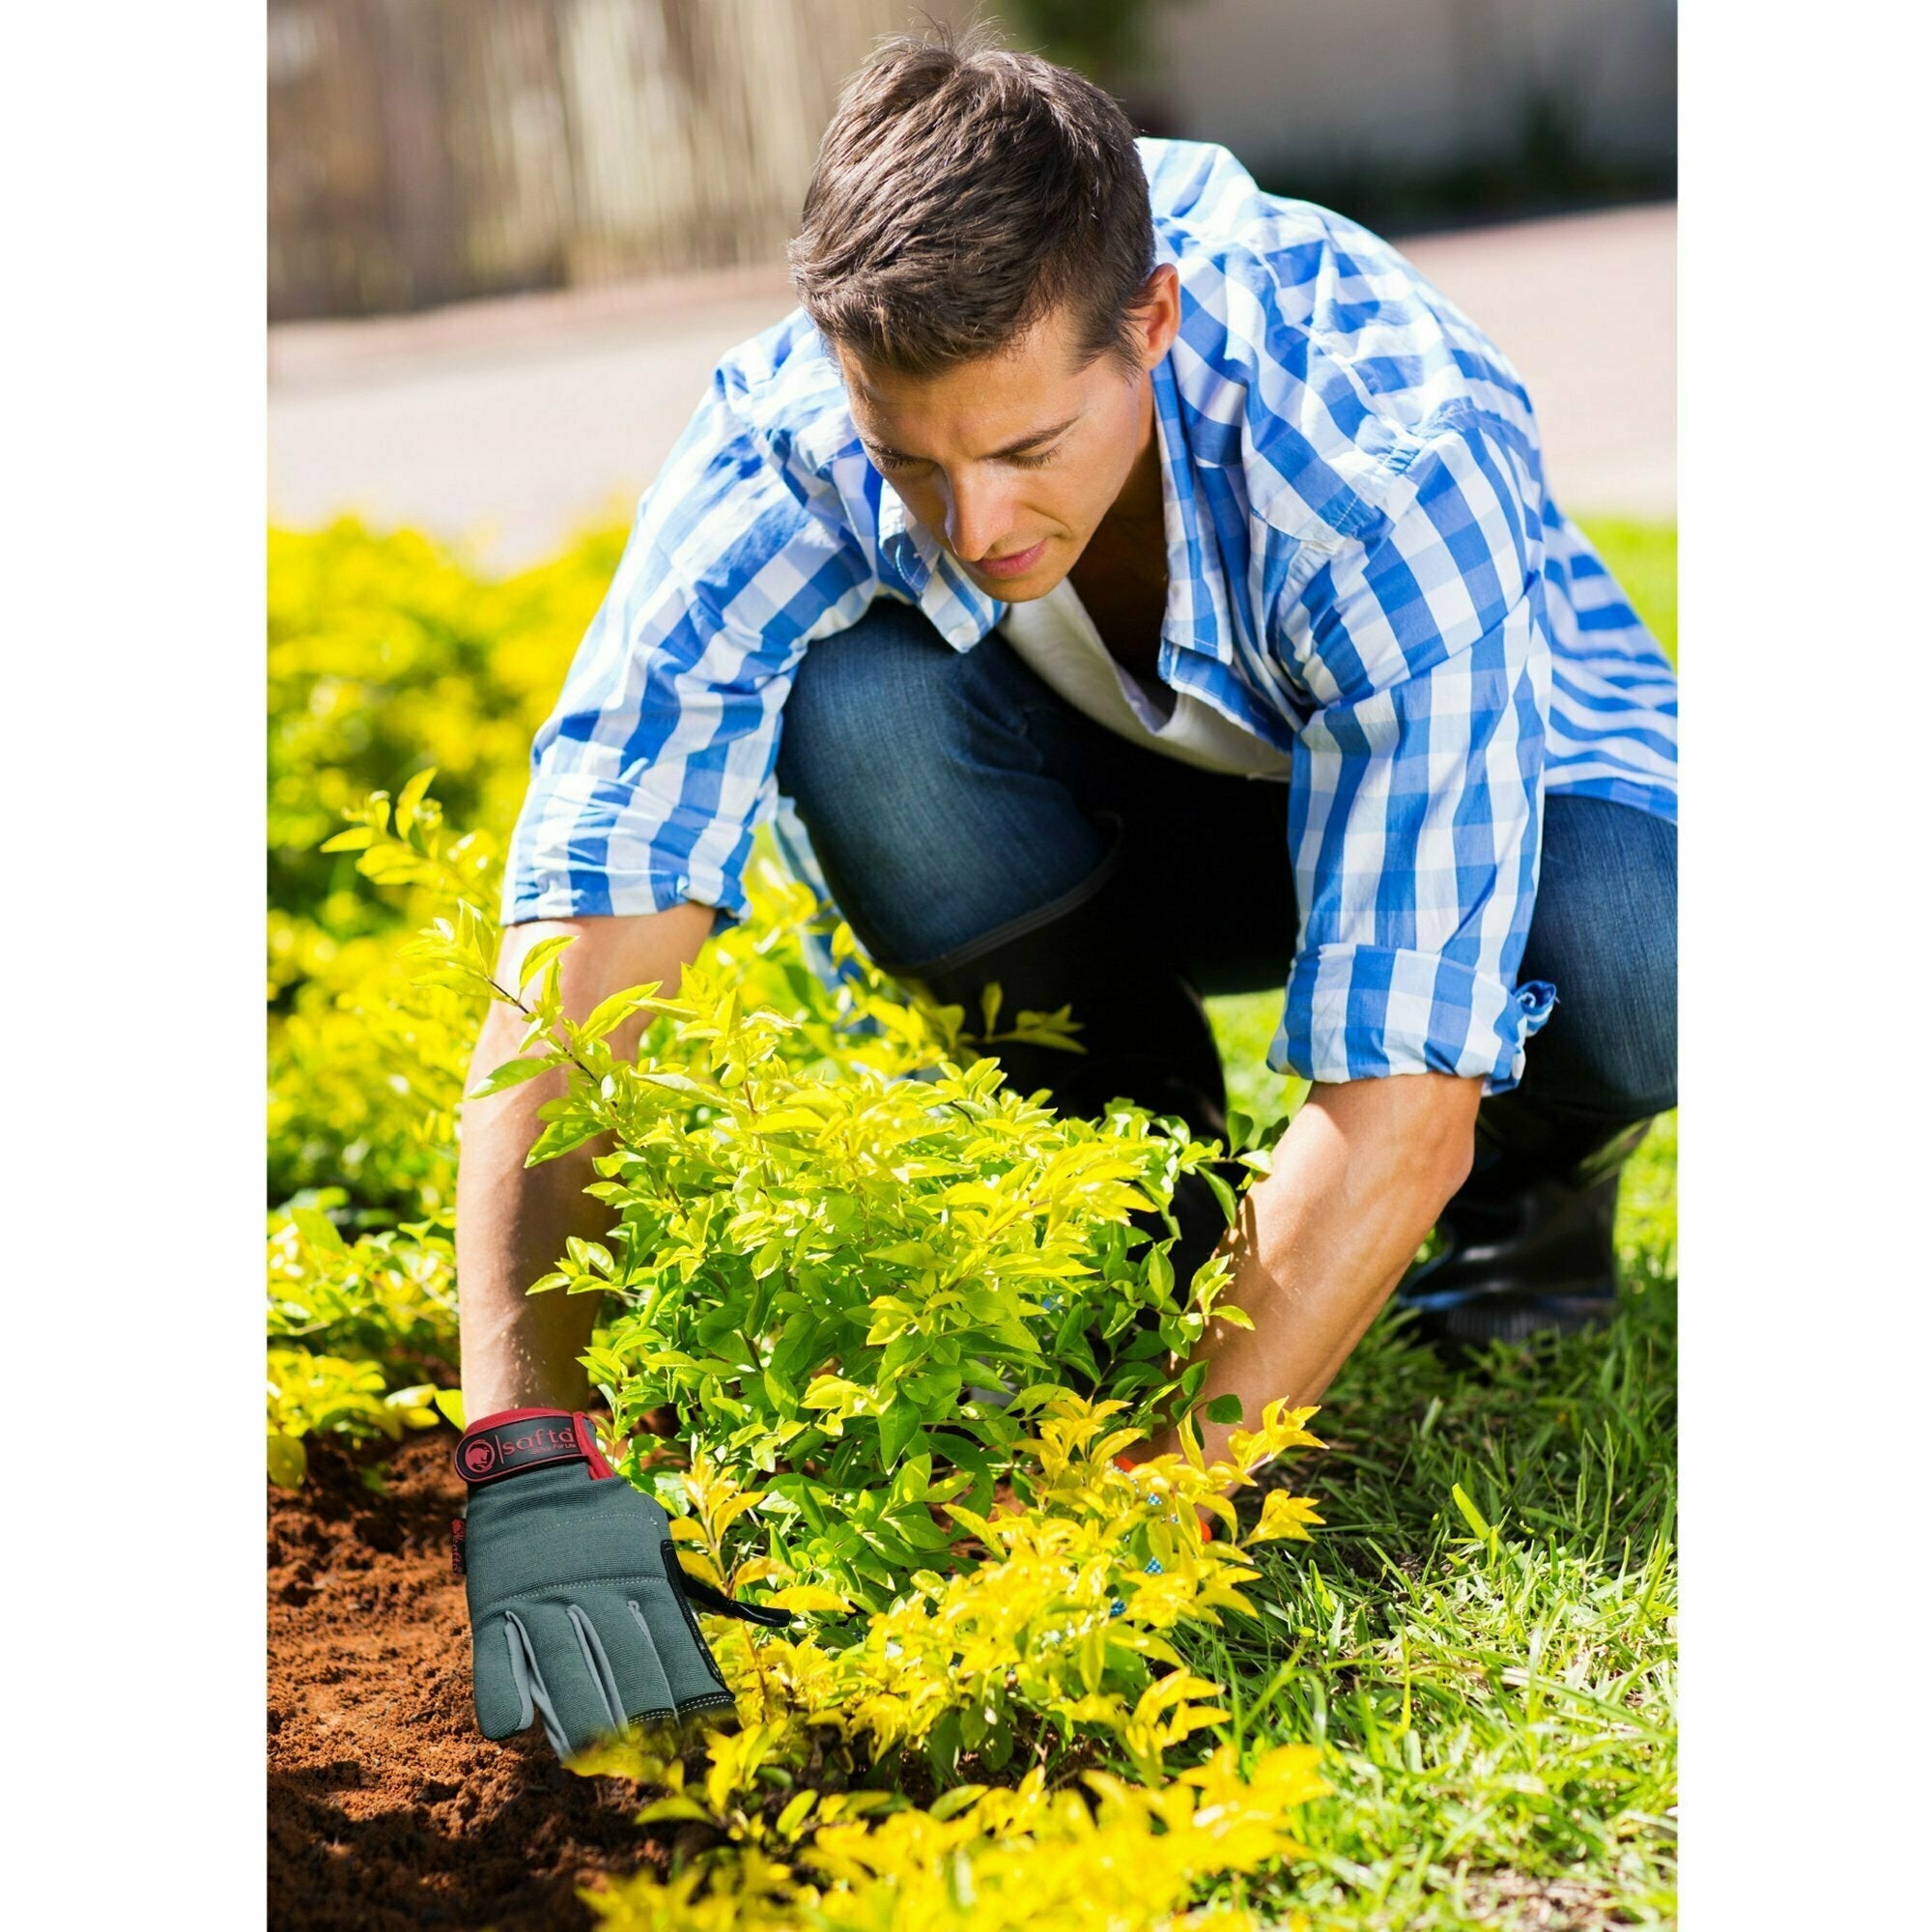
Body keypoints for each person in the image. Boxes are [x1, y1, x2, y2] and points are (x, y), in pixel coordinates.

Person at [448, 27, 1676, 1756]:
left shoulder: (1381, 439)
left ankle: (1534, 1210)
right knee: (859, 698)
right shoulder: (796, 433)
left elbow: (1403, 1082)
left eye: (1028, 447)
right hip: (1117, 808)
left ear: (1150, 324)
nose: (972, 518)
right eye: (912, 462)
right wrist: (527, 1440)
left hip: (1502, 817)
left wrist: (1125, 1538)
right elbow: (595, 901)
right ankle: (1132, 1181)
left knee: (1645, 951)